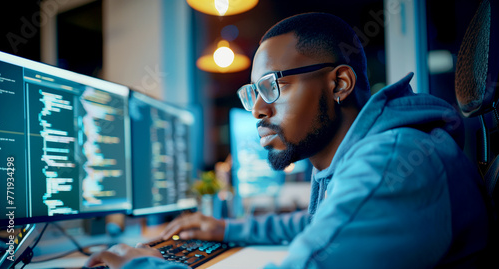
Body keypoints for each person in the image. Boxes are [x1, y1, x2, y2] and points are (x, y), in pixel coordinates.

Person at [85, 12, 493, 269]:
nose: (258, 110)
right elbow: (317, 225)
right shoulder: (361, 154)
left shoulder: (392, 165)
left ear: (340, 83)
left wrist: (143, 264)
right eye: (252, 94)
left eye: (271, 86)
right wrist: (223, 226)